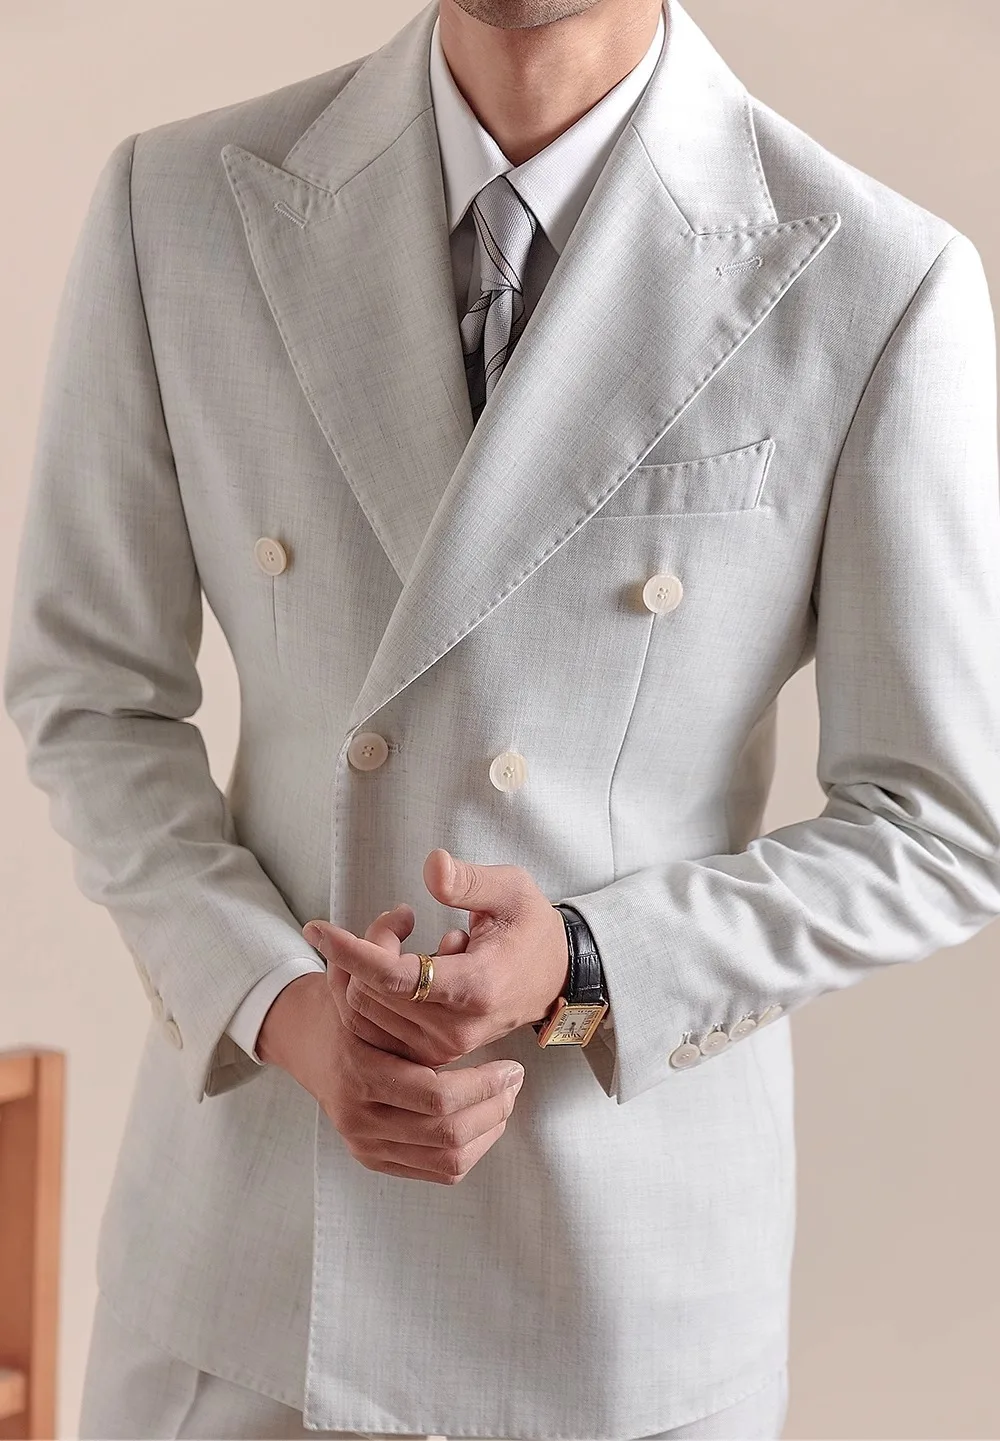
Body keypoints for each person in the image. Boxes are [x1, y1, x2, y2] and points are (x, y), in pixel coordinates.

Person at [5, 0, 1000, 1435]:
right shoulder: (177, 207)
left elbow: (940, 823)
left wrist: (585, 966)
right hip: (253, 1264)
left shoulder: (878, 280)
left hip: (615, 1295)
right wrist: (281, 1005)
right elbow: (91, 695)